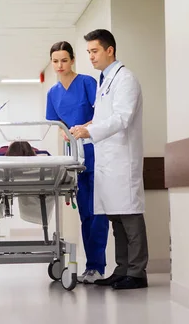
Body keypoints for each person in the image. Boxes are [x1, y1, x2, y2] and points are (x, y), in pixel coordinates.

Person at [70, 29, 149, 290]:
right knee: (116, 218)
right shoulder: (105, 82)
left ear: (109, 50)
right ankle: (122, 268)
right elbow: (106, 117)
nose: (90, 57)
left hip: (122, 159)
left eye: (94, 51)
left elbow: (123, 117)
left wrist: (90, 131)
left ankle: (137, 272)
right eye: (89, 52)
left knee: (130, 217)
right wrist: (88, 125)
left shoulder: (125, 79)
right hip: (108, 159)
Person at [45, 41, 109, 284]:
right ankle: (90, 267)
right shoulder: (53, 93)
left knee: (98, 212)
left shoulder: (87, 83)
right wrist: (67, 133)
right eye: (55, 61)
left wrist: (83, 128)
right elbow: (58, 125)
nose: (60, 65)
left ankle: (96, 266)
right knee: (85, 213)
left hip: (96, 150)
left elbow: (101, 116)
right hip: (75, 156)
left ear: (72, 60)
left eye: (64, 60)